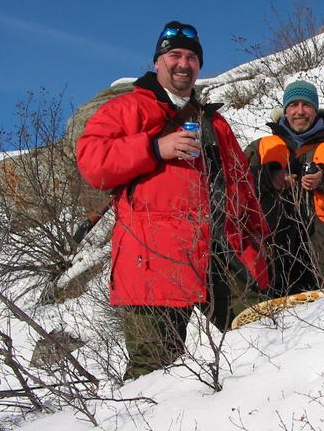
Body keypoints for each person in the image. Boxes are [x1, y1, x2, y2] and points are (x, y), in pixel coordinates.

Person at [76, 21, 270, 380]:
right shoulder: (127, 109)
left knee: (263, 349)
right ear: (157, 62)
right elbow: (92, 164)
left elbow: (243, 190)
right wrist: (153, 148)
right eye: (174, 55)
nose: (183, 63)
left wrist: (257, 246)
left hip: (222, 257)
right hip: (153, 260)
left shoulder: (215, 122)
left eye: (192, 57)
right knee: (153, 376)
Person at [245, 80, 324, 297]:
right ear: (285, 110)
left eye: (306, 105)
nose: (300, 111)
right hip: (271, 260)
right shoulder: (261, 147)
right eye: (293, 105)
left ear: (316, 109)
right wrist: (267, 178)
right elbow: (234, 188)